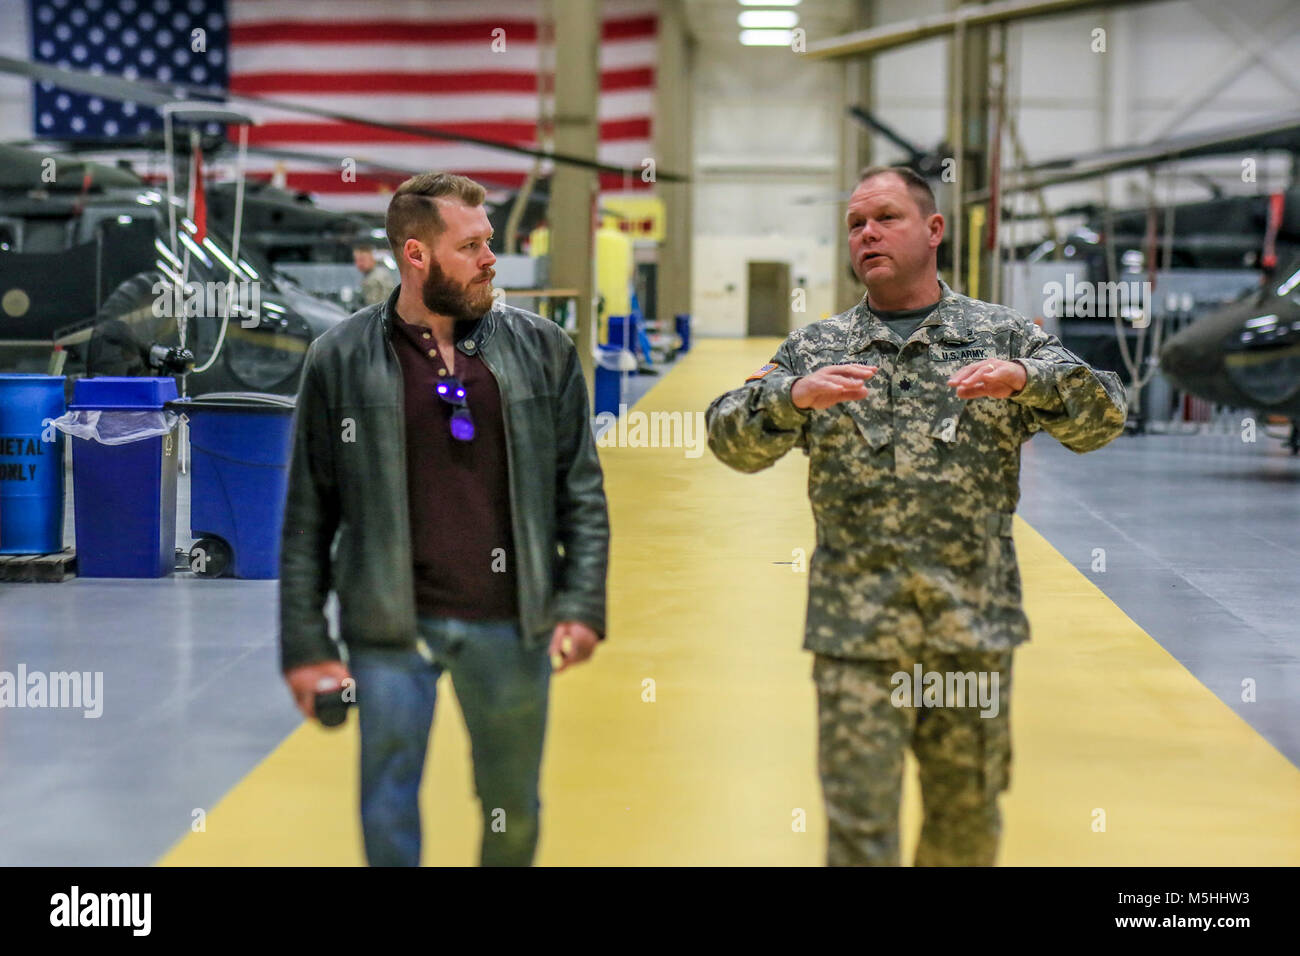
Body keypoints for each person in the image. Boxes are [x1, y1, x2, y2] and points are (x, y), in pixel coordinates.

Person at [705, 165, 1127, 866]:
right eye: (855, 225)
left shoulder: (1001, 336)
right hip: (857, 638)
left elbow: (1104, 419)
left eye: (886, 218)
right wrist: (791, 399)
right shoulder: (816, 350)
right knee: (859, 833)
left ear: (934, 230)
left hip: (971, 631)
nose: (867, 233)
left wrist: (1031, 379)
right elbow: (729, 442)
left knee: (965, 830)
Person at [280, 172, 609, 867]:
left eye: (489, 242)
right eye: (471, 246)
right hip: (390, 626)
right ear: (416, 255)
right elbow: (309, 513)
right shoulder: (340, 358)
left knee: (511, 809)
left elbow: (579, 490)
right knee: (388, 808)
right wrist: (307, 645)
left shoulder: (542, 350)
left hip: (511, 623)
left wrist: (581, 603)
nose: (492, 258)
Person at [353, 240, 397, 306]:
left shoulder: (376, 278)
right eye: (356, 260)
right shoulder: (372, 275)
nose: (359, 264)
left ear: (372, 258)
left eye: (362, 260)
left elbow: (374, 307)